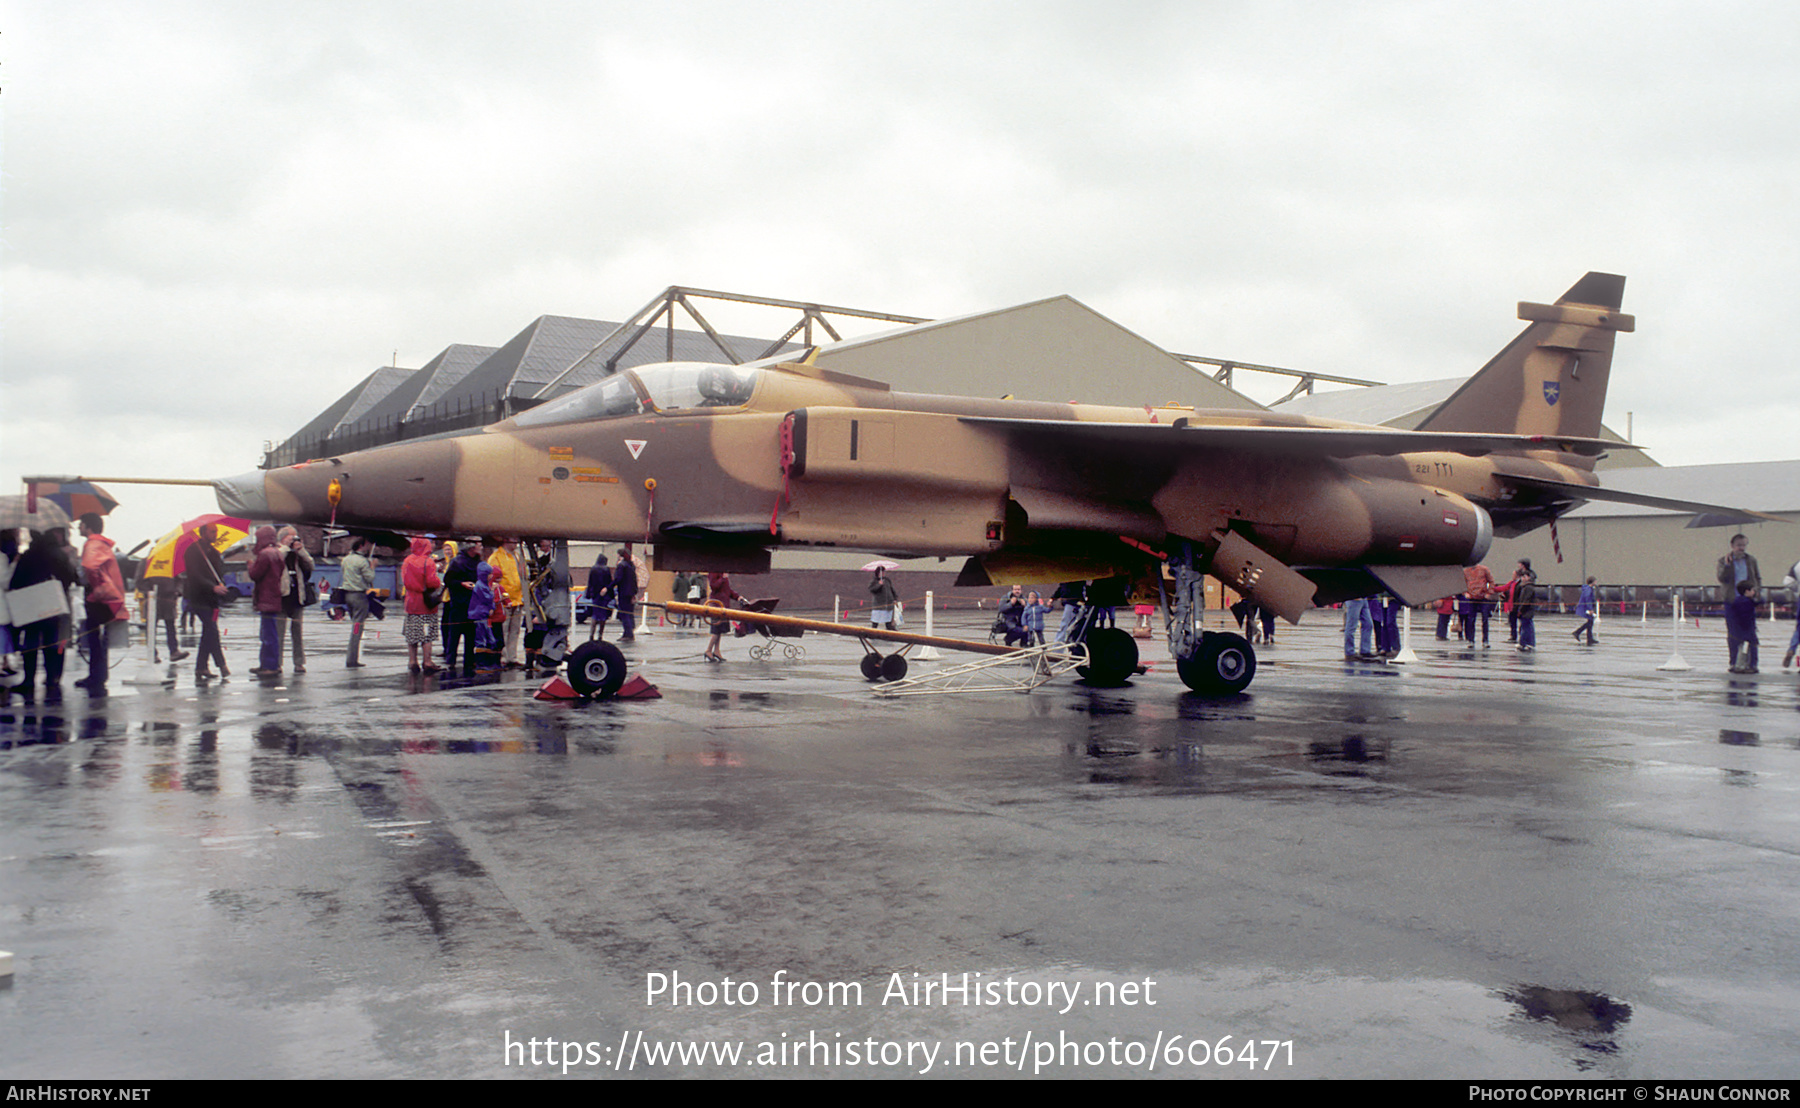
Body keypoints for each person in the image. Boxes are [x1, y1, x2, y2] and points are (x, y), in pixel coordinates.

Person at [12, 528, 79, 700]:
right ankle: (53, 679)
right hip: (55, 604)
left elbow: (16, 581)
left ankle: (28, 680)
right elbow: (72, 577)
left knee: (31, 642)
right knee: (54, 642)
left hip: (32, 605)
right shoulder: (59, 554)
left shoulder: (28, 555)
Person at [75, 513, 127, 694]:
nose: (79, 527)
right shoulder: (103, 545)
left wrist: (96, 586)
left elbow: (90, 566)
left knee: (93, 636)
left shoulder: (92, 544)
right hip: (107, 596)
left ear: (88, 526)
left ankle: (95, 676)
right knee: (101, 638)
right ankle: (99, 674)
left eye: (81, 524)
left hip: (96, 597)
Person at [183, 523, 230, 680]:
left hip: (212, 600)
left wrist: (220, 583)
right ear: (203, 533)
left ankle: (201, 667)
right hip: (198, 598)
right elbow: (195, 575)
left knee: (208, 632)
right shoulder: (193, 551)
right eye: (212, 531)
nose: (215, 534)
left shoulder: (214, 552)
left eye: (216, 531)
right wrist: (212, 587)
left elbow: (218, 572)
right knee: (211, 629)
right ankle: (221, 664)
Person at [526, 539, 571, 672]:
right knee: (534, 637)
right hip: (543, 607)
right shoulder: (543, 571)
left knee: (540, 636)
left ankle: (542, 661)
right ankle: (533, 662)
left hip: (547, 608)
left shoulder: (551, 567)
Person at [441, 537, 483, 674]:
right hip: (459, 603)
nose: (481, 547)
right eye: (478, 544)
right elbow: (448, 580)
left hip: (473, 604)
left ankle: (469, 661)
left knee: (471, 635)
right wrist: (461, 584)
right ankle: (450, 660)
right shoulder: (457, 562)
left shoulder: (478, 562)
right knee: (454, 634)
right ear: (471, 547)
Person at [402, 536, 443, 673]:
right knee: (426, 635)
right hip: (425, 604)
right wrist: (438, 582)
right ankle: (427, 661)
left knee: (412, 634)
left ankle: (412, 661)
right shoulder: (428, 561)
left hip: (410, 602)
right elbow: (432, 582)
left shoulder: (407, 561)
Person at [276, 525, 314, 673]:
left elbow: (311, 565)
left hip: (297, 596)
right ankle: (277, 663)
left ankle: (299, 662)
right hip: (282, 597)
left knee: (297, 633)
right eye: (292, 537)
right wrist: (285, 547)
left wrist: (301, 551)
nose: (294, 540)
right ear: (283, 538)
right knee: (279, 633)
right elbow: (276, 560)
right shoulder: (277, 550)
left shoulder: (296, 554)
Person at [341, 536, 378, 668]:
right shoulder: (362, 561)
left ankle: (352, 657)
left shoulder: (346, 559)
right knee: (357, 627)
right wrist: (372, 567)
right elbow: (369, 578)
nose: (368, 548)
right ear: (361, 546)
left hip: (347, 596)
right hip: (359, 596)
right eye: (367, 545)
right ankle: (352, 659)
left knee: (355, 624)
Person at [488, 537, 524, 667]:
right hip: (504, 599)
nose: (515, 544)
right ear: (505, 541)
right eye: (512, 541)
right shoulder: (496, 557)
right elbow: (492, 579)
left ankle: (512, 657)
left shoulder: (517, 556)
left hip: (517, 598)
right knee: (503, 629)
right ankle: (502, 656)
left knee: (515, 630)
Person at [703, 571, 740, 662]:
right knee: (716, 630)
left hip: (723, 605)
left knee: (720, 630)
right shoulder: (714, 572)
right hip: (717, 605)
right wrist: (723, 578)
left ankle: (716, 651)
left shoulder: (723, 574)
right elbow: (714, 586)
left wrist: (737, 597)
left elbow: (727, 590)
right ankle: (708, 650)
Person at [1726, 580, 1760, 673]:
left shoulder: (1737, 601)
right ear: (1747, 591)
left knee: (1738, 647)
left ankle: (1736, 664)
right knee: (1751, 646)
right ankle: (1750, 665)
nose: (1754, 592)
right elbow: (1746, 616)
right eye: (1752, 590)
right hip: (1746, 628)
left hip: (1737, 629)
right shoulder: (1746, 602)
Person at [1716, 534, 1762, 600]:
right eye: (1739, 545)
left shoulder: (1751, 560)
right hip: (1731, 599)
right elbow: (1721, 579)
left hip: (1748, 598)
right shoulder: (1723, 561)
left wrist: (1755, 591)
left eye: (1744, 545)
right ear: (1732, 546)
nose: (1742, 548)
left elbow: (1757, 578)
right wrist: (1727, 566)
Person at [1462, 563, 1496, 645]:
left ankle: (1485, 640)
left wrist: (1489, 593)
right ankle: (1471, 640)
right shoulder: (1465, 571)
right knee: (1471, 619)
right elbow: (1462, 584)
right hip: (1471, 598)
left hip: (1483, 598)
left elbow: (1491, 581)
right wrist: (1465, 593)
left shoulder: (1484, 569)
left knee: (1485, 619)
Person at [583, 552, 614, 640]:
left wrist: (588, 593)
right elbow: (609, 582)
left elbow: (590, 582)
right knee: (603, 615)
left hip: (595, 595)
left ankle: (591, 634)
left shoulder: (593, 569)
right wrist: (610, 594)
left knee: (595, 615)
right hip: (604, 595)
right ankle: (600, 634)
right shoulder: (606, 569)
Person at [614, 544, 639, 642]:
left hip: (623, 592)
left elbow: (618, 579)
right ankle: (629, 632)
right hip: (630, 593)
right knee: (629, 613)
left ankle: (628, 634)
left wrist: (608, 587)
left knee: (624, 614)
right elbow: (634, 580)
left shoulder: (622, 565)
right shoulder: (631, 565)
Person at [1512, 559, 1538, 653]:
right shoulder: (1525, 587)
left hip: (1526, 611)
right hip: (1527, 611)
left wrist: (1520, 610)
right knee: (1527, 626)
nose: (1522, 579)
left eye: (1524, 577)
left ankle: (1523, 643)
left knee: (1525, 627)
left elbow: (1526, 600)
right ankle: (1530, 643)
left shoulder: (1528, 588)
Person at [1572, 577, 1598, 645]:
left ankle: (1589, 638)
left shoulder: (1589, 589)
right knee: (1590, 622)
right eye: (1595, 581)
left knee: (1590, 622)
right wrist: (1590, 609)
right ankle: (1577, 632)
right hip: (1586, 608)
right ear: (1592, 582)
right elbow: (1588, 599)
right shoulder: (1588, 589)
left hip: (1587, 607)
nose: (1596, 582)